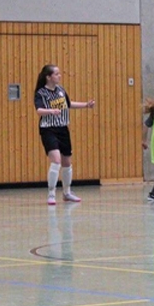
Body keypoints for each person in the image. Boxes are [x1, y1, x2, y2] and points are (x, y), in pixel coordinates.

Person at [34, 64, 95, 205]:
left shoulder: (61, 90)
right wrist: (51, 111)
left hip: (63, 129)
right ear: (48, 77)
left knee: (67, 162)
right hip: (48, 129)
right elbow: (39, 110)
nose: (59, 76)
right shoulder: (41, 93)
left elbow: (68, 104)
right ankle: (51, 194)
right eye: (56, 74)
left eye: (59, 73)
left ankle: (67, 192)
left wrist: (86, 105)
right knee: (56, 160)